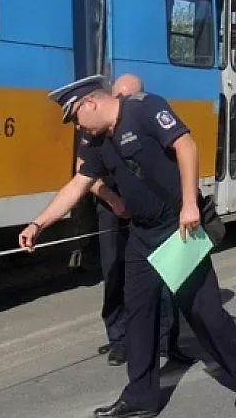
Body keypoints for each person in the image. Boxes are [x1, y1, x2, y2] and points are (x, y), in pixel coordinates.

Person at [19, 75, 236, 418]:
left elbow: (186, 145)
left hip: (178, 228)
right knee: (138, 313)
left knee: (202, 311)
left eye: (76, 116)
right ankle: (141, 395)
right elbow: (77, 185)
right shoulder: (98, 143)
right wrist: (37, 225)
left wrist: (189, 205)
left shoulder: (146, 108)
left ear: (91, 102)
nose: (77, 125)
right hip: (141, 235)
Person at [79, 73, 189, 366]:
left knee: (166, 274)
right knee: (115, 271)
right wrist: (114, 201)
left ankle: (167, 339)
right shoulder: (94, 127)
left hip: (151, 209)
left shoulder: (146, 112)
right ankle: (119, 338)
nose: (127, 102)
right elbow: (83, 175)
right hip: (113, 205)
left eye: (131, 97)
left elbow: (178, 151)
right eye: (122, 97)